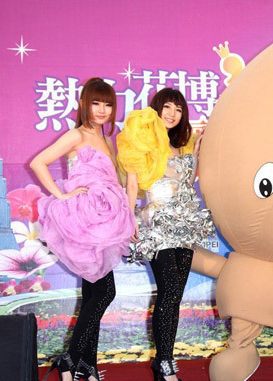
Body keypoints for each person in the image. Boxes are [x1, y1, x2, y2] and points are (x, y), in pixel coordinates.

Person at [32, 77, 135, 381]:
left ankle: (84, 367)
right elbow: (39, 162)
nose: (102, 110)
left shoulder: (106, 140)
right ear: (84, 104)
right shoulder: (75, 135)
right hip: (85, 220)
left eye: (107, 104)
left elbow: (113, 182)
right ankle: (69, 358)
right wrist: (62, 195)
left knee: (94, 292)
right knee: (105, 292)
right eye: (96, 103)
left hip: (105, 222)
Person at [116, 88, 214, 381]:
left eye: (179, 109)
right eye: (167, 107)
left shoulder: (185, 144)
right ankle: (164, 362)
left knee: (175, 296)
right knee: (168, 290)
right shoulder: (142, 141)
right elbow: (132, 184)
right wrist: (130, 214)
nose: (172, 114)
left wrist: (196, 153)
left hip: (185, 221)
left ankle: (165, 363)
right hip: (158, 221)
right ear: (156, 110)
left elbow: (189, 179)